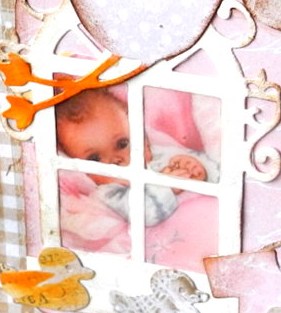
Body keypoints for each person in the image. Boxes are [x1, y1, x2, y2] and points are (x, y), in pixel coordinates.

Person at [55, 87, 219, 228]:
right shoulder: (110, 194)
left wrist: (200, 169)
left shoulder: (157, 155)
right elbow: (145, 214)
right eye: (95, 158)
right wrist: (167, 187)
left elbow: (219, 173)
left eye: (122, 144)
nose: (115, 161)